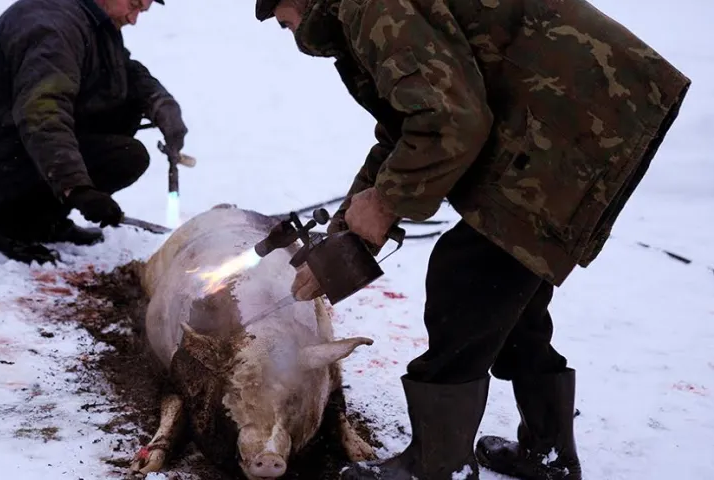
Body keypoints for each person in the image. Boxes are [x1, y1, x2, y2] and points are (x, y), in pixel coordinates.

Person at [255, 0, 691, 479]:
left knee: (466, 275)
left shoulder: (369, 7)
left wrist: (385, 203)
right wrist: (346, 232)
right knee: (507, 285)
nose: (291, 34)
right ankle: (547, 453)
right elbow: (409, 128)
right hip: (583, 110)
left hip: (577, 116)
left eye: (283, 21)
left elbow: (449, 122)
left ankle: (435, 467)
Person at [0, 0, 188, 264]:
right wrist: (76, 187)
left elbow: (124, 70)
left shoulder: (90, 19)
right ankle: (6, 222)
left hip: (19, 144)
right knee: (125, 156)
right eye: (133, 5)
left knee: (123, 125)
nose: (133, 19)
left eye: (142, 11)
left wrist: (160, 104)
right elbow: (43, 114)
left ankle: (42, 220)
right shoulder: (53, 27)